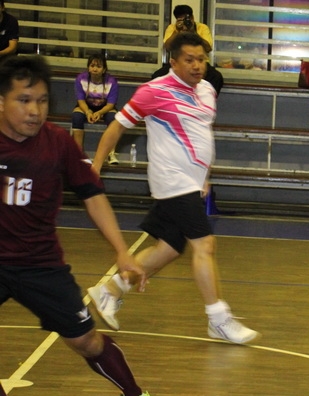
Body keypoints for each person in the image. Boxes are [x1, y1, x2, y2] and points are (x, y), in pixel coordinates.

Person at [0, 55, 169, 396]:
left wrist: (122, 252)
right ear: (2, 101)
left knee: (86, 342)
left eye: (42, 100)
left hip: (41, 264)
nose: (35, 110)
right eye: (24, 100)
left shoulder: (58, 143)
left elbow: (92, 194)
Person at [88, 32, 259, 345]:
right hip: (171, 179)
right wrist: (96, 166)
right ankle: (218, 319)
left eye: (201, 60)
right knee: (204, 245)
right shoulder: (154, 91)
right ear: (174, 62)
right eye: (190, 60)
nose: (197, 66)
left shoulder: (207, 90)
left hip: (190, 182)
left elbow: (200, 134)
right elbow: (117, 127)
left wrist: (204, 176)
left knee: (167, 250)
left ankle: (109, 291)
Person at [152, 5, 224, 95]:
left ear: (192, 17)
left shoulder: (202, 28)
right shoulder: (172, 28)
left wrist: (193, 32)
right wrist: (177, 31)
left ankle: (205, 99)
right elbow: (168, 47)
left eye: (187, 19)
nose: (185, 22)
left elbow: (208, 48)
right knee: (157, 76)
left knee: (216, 77)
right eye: (180, 20)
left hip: (199, 62)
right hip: (179, 63)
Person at [71, 54, 120, 164]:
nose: (95, 69)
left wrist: (99, 112)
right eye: (92, 66)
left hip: (105, 107)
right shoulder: (80, 78)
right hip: (86, 105)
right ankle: (78, 154)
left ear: (104, 69)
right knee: (76, 117)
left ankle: (111, 153)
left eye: (98, 66)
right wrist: (88, 112)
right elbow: (80, 100)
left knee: (113, 118)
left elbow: (111, 104)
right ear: (88, 67)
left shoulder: (112, 81)